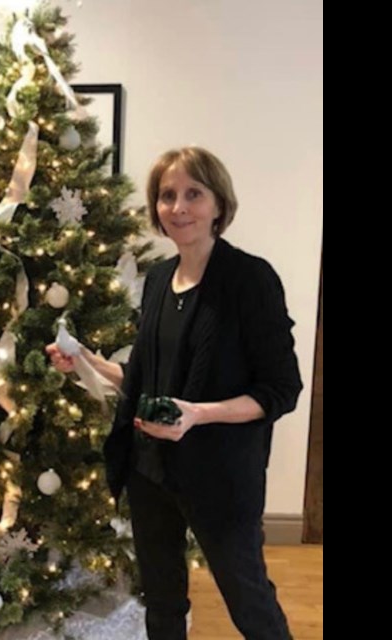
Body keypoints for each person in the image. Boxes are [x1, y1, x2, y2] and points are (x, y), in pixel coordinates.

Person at [47, 147, 302, 639]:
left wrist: (198, 415)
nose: (179, 207)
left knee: (248, 598)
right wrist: (84, 360)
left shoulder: (251, 279)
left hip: (220, 475)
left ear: (218, 205)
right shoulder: (160, 278)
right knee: (162, 602)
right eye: (167, 196)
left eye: (193, 194)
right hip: (150, 470)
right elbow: (146, 380)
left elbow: (281, 389)